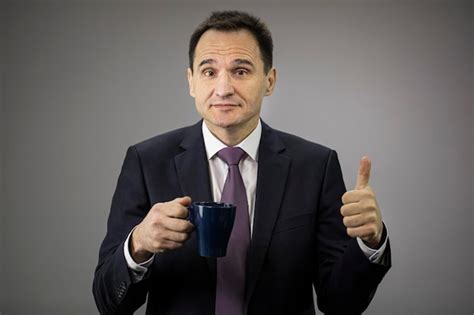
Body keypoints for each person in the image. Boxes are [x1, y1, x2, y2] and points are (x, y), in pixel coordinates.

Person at [93, 10, 391, 315]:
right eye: (209, 72)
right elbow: (109, 303)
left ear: (269, 80)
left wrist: (370, 242)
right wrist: (138, 244)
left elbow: (341, 303)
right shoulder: (147, 162)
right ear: (191, 81)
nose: (223, 89)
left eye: (241, 71)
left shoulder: (316, 166)